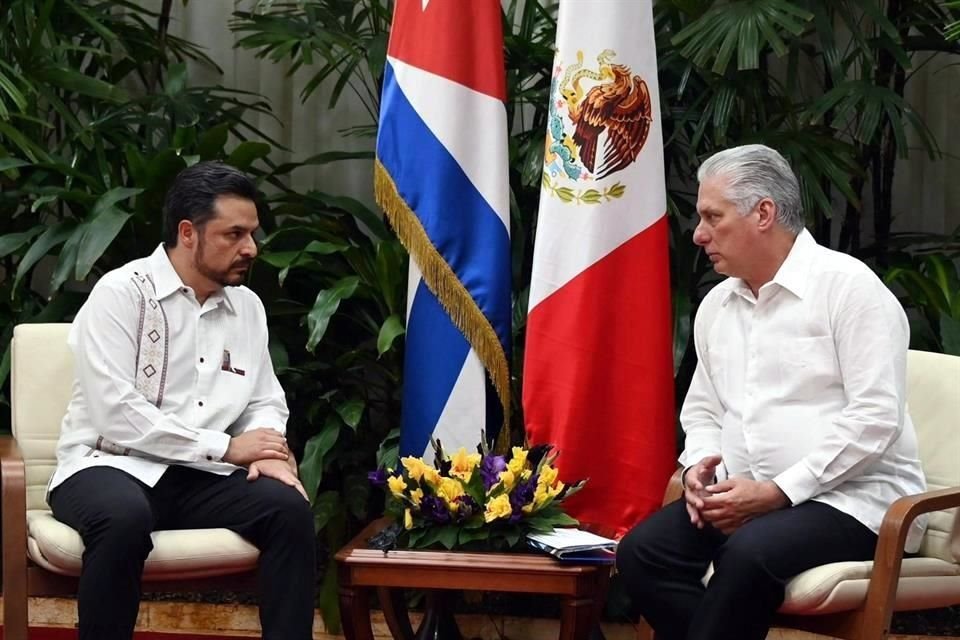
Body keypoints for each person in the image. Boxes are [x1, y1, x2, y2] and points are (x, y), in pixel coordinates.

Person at [615, 144, 926, 640]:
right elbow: (703, 409)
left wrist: (779, 492)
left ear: (764, 213)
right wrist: (699, 467)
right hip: (745, 493)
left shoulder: (849, 290)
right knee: (643, 553)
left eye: (713, 217)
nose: (698, 235)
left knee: (749, 554)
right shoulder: (719, 303)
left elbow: (874, 419)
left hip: (855, 501)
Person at [48, 162, 316, 640]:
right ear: (187, 232)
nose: (250, 248)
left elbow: (264, 400)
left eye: (252, 234)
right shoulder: (120, 294)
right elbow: (117, 413)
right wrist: (228, 448)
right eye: (233, 234)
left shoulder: (247, 307)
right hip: (106, 464)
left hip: (198, 479)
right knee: (124, 518)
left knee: (288, 510)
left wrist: (271, 452)